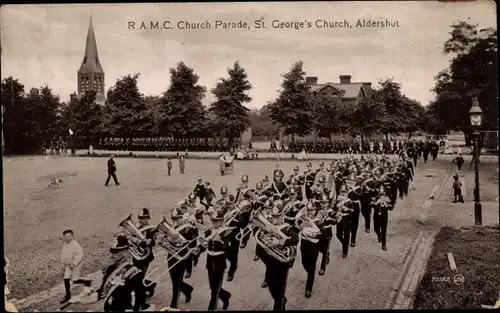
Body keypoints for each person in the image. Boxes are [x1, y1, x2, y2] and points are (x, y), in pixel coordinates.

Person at [260, 202, 299, 311]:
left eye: (278, 216)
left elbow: (295, 239)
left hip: (283, 262)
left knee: (280, 290)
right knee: (271, 286)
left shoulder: (288, 228)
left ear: (282, 215)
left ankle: (279, 303)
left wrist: (279, 242)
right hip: (271, 260)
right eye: (273, 216)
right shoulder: (270, 227)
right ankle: (281, 299)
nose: (275, 219)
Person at [202, 208, 234, 311]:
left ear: (222, 221)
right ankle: (225, 296)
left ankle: (211, 308)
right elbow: (205, 243)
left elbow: (228, 246)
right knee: (213, 286)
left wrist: (220, 240)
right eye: (213, 221)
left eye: (217, 221)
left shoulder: (227, 231)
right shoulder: (209, 229)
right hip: (210, 259)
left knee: (215, 290)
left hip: (219, 261)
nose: (214, 223)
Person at [167, 207, 197, 308]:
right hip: (171, 257)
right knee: (175, 280)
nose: (175, 221)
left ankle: (173, 306)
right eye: (173, 219)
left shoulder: (187, 229)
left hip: (182, 258)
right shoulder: (171, 228)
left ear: (181, 217)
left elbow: (193, 244)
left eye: (177, 218)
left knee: (176, 285)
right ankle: (187, 289)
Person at [60, 229, 84, 304]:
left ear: (72, 236)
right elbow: (63, 255)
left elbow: (80, 255)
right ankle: (68, 295)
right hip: (68, 264)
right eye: (65, 237)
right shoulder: (65, 245)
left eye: (69, 236)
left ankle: (86, 283)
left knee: (75, 280)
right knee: (66, 278)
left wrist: (74, 263)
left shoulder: (75, 244)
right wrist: (63, 264)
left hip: (76, 264)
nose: (67, 238)